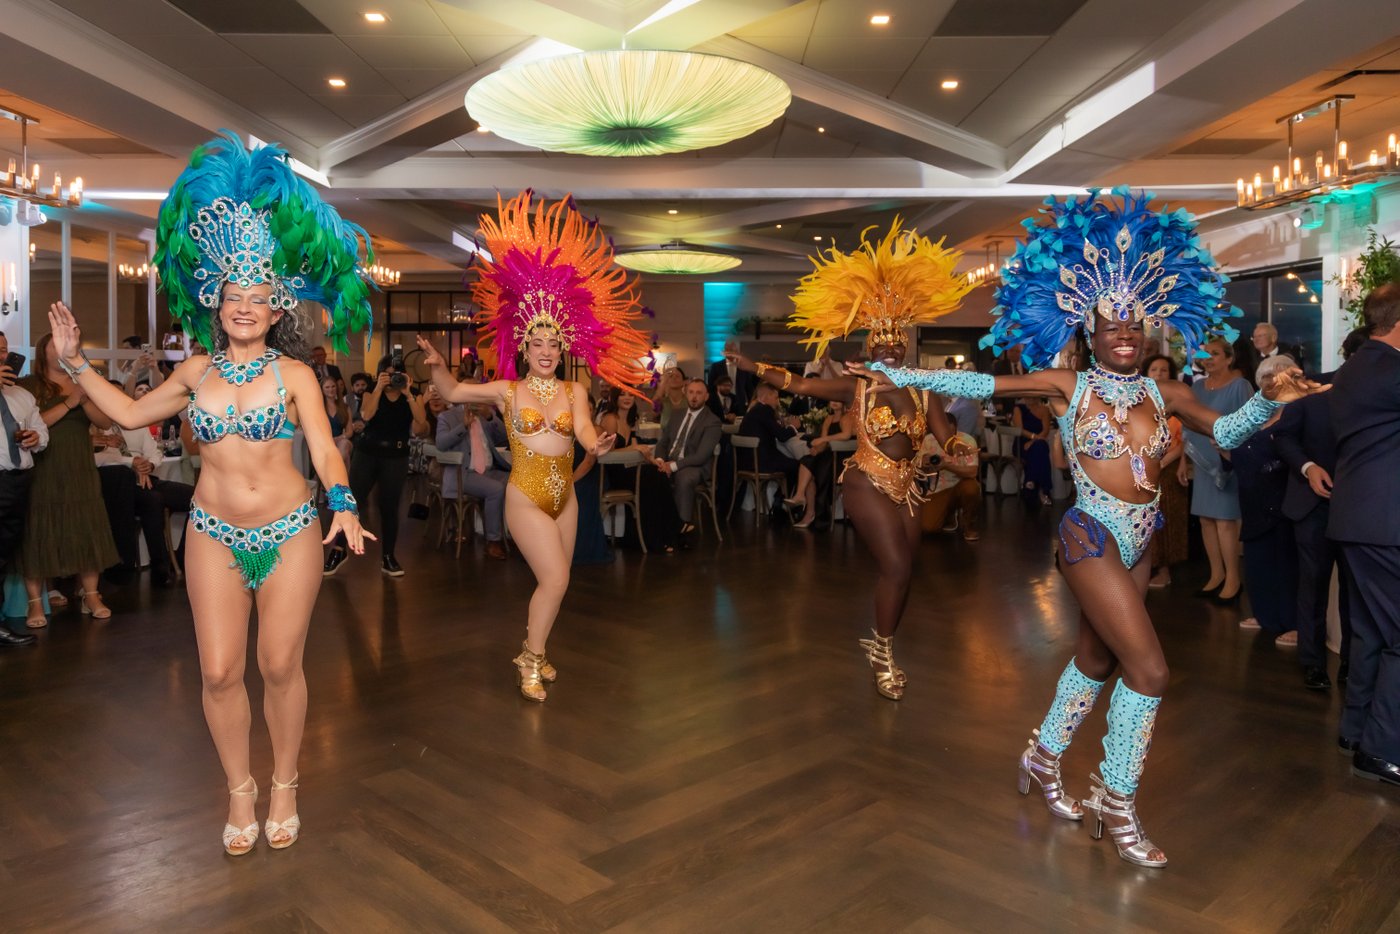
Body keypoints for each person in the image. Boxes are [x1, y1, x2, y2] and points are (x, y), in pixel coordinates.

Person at [856, 188, 1315, 867]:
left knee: (1098, 660)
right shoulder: (1067, 385)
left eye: (1134, 327)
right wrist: (899, 372)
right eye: (1112, 328)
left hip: (1141, 534)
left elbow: (1227, 431)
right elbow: (985, 387)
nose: (1125, 336)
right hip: (1088, 535)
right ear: (1091, 333)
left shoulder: (1168, 393)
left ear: (1145, 333)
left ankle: (1043, 755)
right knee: (1151, 670)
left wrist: (1271, 402)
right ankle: (1116, 798)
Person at [47, 132, 374, 855]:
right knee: (221, 670)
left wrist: (344, 504)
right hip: (213, 534)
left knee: (279, 665)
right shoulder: (195, 374)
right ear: (216, 300)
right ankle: (240, 788)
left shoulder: (295, 377)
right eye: (235, 295)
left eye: (259, 295)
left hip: (289, 529)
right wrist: (74, 365)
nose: (246, 305)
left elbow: (323, 448)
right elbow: (129, 415)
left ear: (275, 304)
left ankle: (285, 779)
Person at [418, 190, 648, 703]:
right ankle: (531, 659)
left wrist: (600, 442)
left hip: (564, 493)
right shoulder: (507, 390)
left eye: (553, 344)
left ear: (563, 346)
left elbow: (585, 430)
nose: (545, 351)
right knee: (557, 577)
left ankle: (534, 646)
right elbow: (453, 392)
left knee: (558, 583)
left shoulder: (575, 391)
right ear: (524, 346)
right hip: (523, 492)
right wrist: (436, 364)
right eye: (537, 343)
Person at [738, 218, 969, 699]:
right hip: (864, 480)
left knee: (906, 568)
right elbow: (800, 385)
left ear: (904, 344)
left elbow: (948, 438)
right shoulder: (856, 386)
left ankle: (884, 643)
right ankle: (883, 657)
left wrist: (958, 452)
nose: (887, 347)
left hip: (907, 486)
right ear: (869, 348)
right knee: (897, 568)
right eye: (878, 342)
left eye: (894, 340)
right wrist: (753, 366)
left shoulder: (925, 389)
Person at [1330, 283, 1400, 787]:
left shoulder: (1356, 366)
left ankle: (1356, 729)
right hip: (1384, 523)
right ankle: (1382, 750)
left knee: (1372, 632)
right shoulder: (1391, 370)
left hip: (1360, 518)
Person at [1273, 329, 1367, 691]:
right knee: (1312, 585)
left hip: (1360, 506)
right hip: (1312, 504)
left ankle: (1351, 662)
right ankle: (1312, 662)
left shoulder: (1382, 395)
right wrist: (1309, 468)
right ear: (1352, 356)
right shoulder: (1312, 389)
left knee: (1354, 590)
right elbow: (1283, 437)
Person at [18, 333, 121, 627]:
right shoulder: (29, 385)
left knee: (87, 527)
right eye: (56, 346)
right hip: (43, 466)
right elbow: (29, 426)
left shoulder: (85, 382)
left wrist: (84, 397)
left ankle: (91, 595)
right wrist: (70, 402)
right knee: (38, 531)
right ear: (43, 352)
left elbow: (104, 422)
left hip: (79, 466)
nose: (63, 351)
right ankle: (35, 603)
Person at [323, 355, 428, 578]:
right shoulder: (371, 389)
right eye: (388, 374)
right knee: (352, 504)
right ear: (381, 374)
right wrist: (379, 387)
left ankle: (388, 557)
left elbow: (420, 421)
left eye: (397, 374)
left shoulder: (414, 393)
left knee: (389, 508)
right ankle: (339, 551)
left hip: (396, 456)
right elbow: (366, 414)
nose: (393, 378)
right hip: (367, 452)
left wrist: (408, 393)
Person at [1228, 356, 1298, 643]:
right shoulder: (1251, 413)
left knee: (1287, 565)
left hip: (1285, 498)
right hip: (1252, 497)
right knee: (1258, 563)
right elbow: (1237, 450)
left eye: (1279, 375)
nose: (1273, 380)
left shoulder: (1298, 410)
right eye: (1267, 375)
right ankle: (1265, 615)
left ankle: (1294, 623)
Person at [92, 394, 196, 587]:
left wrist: (148, 464)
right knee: (152, 499)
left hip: (147, 477)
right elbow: (102, 460)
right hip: (119, 484)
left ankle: (182, 557)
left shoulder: (136, 426)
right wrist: (132, 463)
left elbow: (155, 451)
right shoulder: (98, 430)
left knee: (197, 498)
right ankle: (159, 564)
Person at [1180, 337, 1252, 605]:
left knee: (1225, 522)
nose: (1209, 358)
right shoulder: (1198, 387)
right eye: (1205, 354)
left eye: (1215, 354)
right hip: (1200, 461)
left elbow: (1248, 423)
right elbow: (1187, 423)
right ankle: (1216, 575)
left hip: (1227, 462)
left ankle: (1234, 580)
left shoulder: (1240, 385)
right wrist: (1182, 462)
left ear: (1229, 358)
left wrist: (1232, 454)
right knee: (1206, 521)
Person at [0, 331, 47, 646]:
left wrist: (36, 438)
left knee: (3, 555)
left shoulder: (22, 395)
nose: (2, 356)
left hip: (18, 482)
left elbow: (42, 431)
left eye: (4, 350)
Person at [599, 391, 680, 553]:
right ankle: (664, 534)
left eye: (631, 395)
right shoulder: (610, 419)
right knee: (651, 477)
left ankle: (665, 535)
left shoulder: (630, 420)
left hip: (628, 468)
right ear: (615, 398)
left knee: (658, 472)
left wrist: (655, 461)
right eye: (622, 394)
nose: (627, 398)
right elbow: (606, 453)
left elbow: (640, 451)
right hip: (613, 473)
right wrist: (634, 448)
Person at [435, 401, 510, 560]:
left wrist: (490, 417)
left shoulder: (485, 415)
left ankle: (519, 535)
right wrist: (463, 426)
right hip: (463, 474)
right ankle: (493, 541)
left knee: (519, 483)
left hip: (489, 470)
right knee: (495, 489)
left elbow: (505, 437)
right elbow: (441, 444)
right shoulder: (447, 416)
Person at [651, 378, 723, 541]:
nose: (694, 397)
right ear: (685, 393)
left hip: (695, 466)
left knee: (684, 478)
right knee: (649, 473)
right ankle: (656, 530)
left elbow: (701, 456)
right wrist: (661, 461)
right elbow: (663, 443)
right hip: (670, 461)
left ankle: (682, 532)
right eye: (691, 392)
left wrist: (673, 466)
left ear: (706, 396)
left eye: (699, 393)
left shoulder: (712, 421)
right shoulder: (677, 415)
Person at [1141, 355, 1187, 587]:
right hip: (1141, 470)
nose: (1159, 374)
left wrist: (1161, 463)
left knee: (1164, 522)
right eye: (1154, 369)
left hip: (1167, 469)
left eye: (1164, 370)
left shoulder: (1179, 401)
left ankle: (1164, 570)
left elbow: (1184, 441)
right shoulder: (1138, 401)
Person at [784, 397, 855, 529]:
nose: (834, 401)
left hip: (844, 460)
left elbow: (845, 435)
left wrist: (822, 440)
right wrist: (817, 448)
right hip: (830, 456)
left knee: (811, 466)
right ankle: (803, 500)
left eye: (838, 399)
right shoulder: (828, 419)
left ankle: (807, 508)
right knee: (808, 462)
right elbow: (823, 444)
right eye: (832, 399)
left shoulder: (847, 417)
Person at [736, 382, 802, 500]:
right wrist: (793, 427)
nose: (777, 402)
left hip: (745, 462)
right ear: (765, 398)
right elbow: (782, 436)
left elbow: (772, 429)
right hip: (761, 462)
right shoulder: (764, 410)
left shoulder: (754, 410)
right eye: (775, 398)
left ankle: (779, 499)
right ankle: (781, 501)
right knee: (799, 466)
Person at [1014, 396, 1054, 506]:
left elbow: (1045, 430)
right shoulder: (1019, 409)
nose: (1030, 398)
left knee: (1039, 447)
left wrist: (1033, 441)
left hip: (1038, 441)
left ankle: (1030, 481)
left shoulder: (1044, 410)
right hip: (1022, 443)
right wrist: (1033, 438)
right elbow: (1020, 430)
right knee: (1040, 449)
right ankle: (1044, 490)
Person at [708, 338, 754, 413]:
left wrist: (751, 405)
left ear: (736, 351)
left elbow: (749, 388)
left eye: (731, 351)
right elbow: (711, 387)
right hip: (721, 404)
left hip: (740, 404)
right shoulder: (716, 366)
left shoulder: (743, 366)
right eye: (727, 350)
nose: (729, 353)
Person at [320, 375, 352, 463]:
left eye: (333, 386)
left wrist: (338, 438)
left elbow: (349, 432)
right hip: (323, 442)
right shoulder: (319, 408)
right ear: (322, 390)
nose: (331, 389)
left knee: (344, 444)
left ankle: (334, 469)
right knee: (345, 457)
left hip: (341, 440)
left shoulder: (345, 407)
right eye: (327, 387)